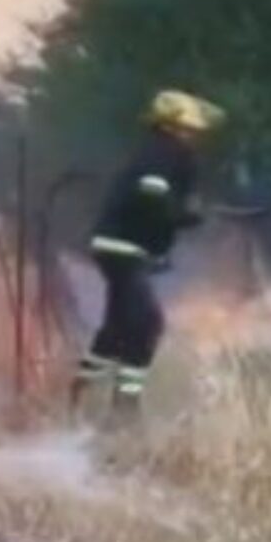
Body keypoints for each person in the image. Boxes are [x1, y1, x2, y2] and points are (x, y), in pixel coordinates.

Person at [69, 89, 223, 423]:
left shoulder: (154, 151)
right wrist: (185, 216)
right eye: (190, 129)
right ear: (172, 126)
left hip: (115, 244)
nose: (194, 136)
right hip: (125, 247)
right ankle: (124, 411)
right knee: (147, 324)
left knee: (118, 326)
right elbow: (153, 198)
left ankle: (82, 396)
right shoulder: (167, 153)